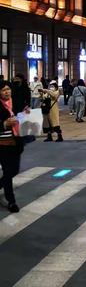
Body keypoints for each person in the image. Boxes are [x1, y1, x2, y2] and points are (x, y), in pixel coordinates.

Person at [0, 80, 24, 212]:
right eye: (3, 90)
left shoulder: (16, 103)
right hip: (2, 144)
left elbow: (22, 116)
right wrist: (4, 124)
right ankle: (11, 201)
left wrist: (26, 113)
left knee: (14, 170)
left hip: (16, 143)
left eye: (8, 89)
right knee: (8, 172)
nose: (7, 92)